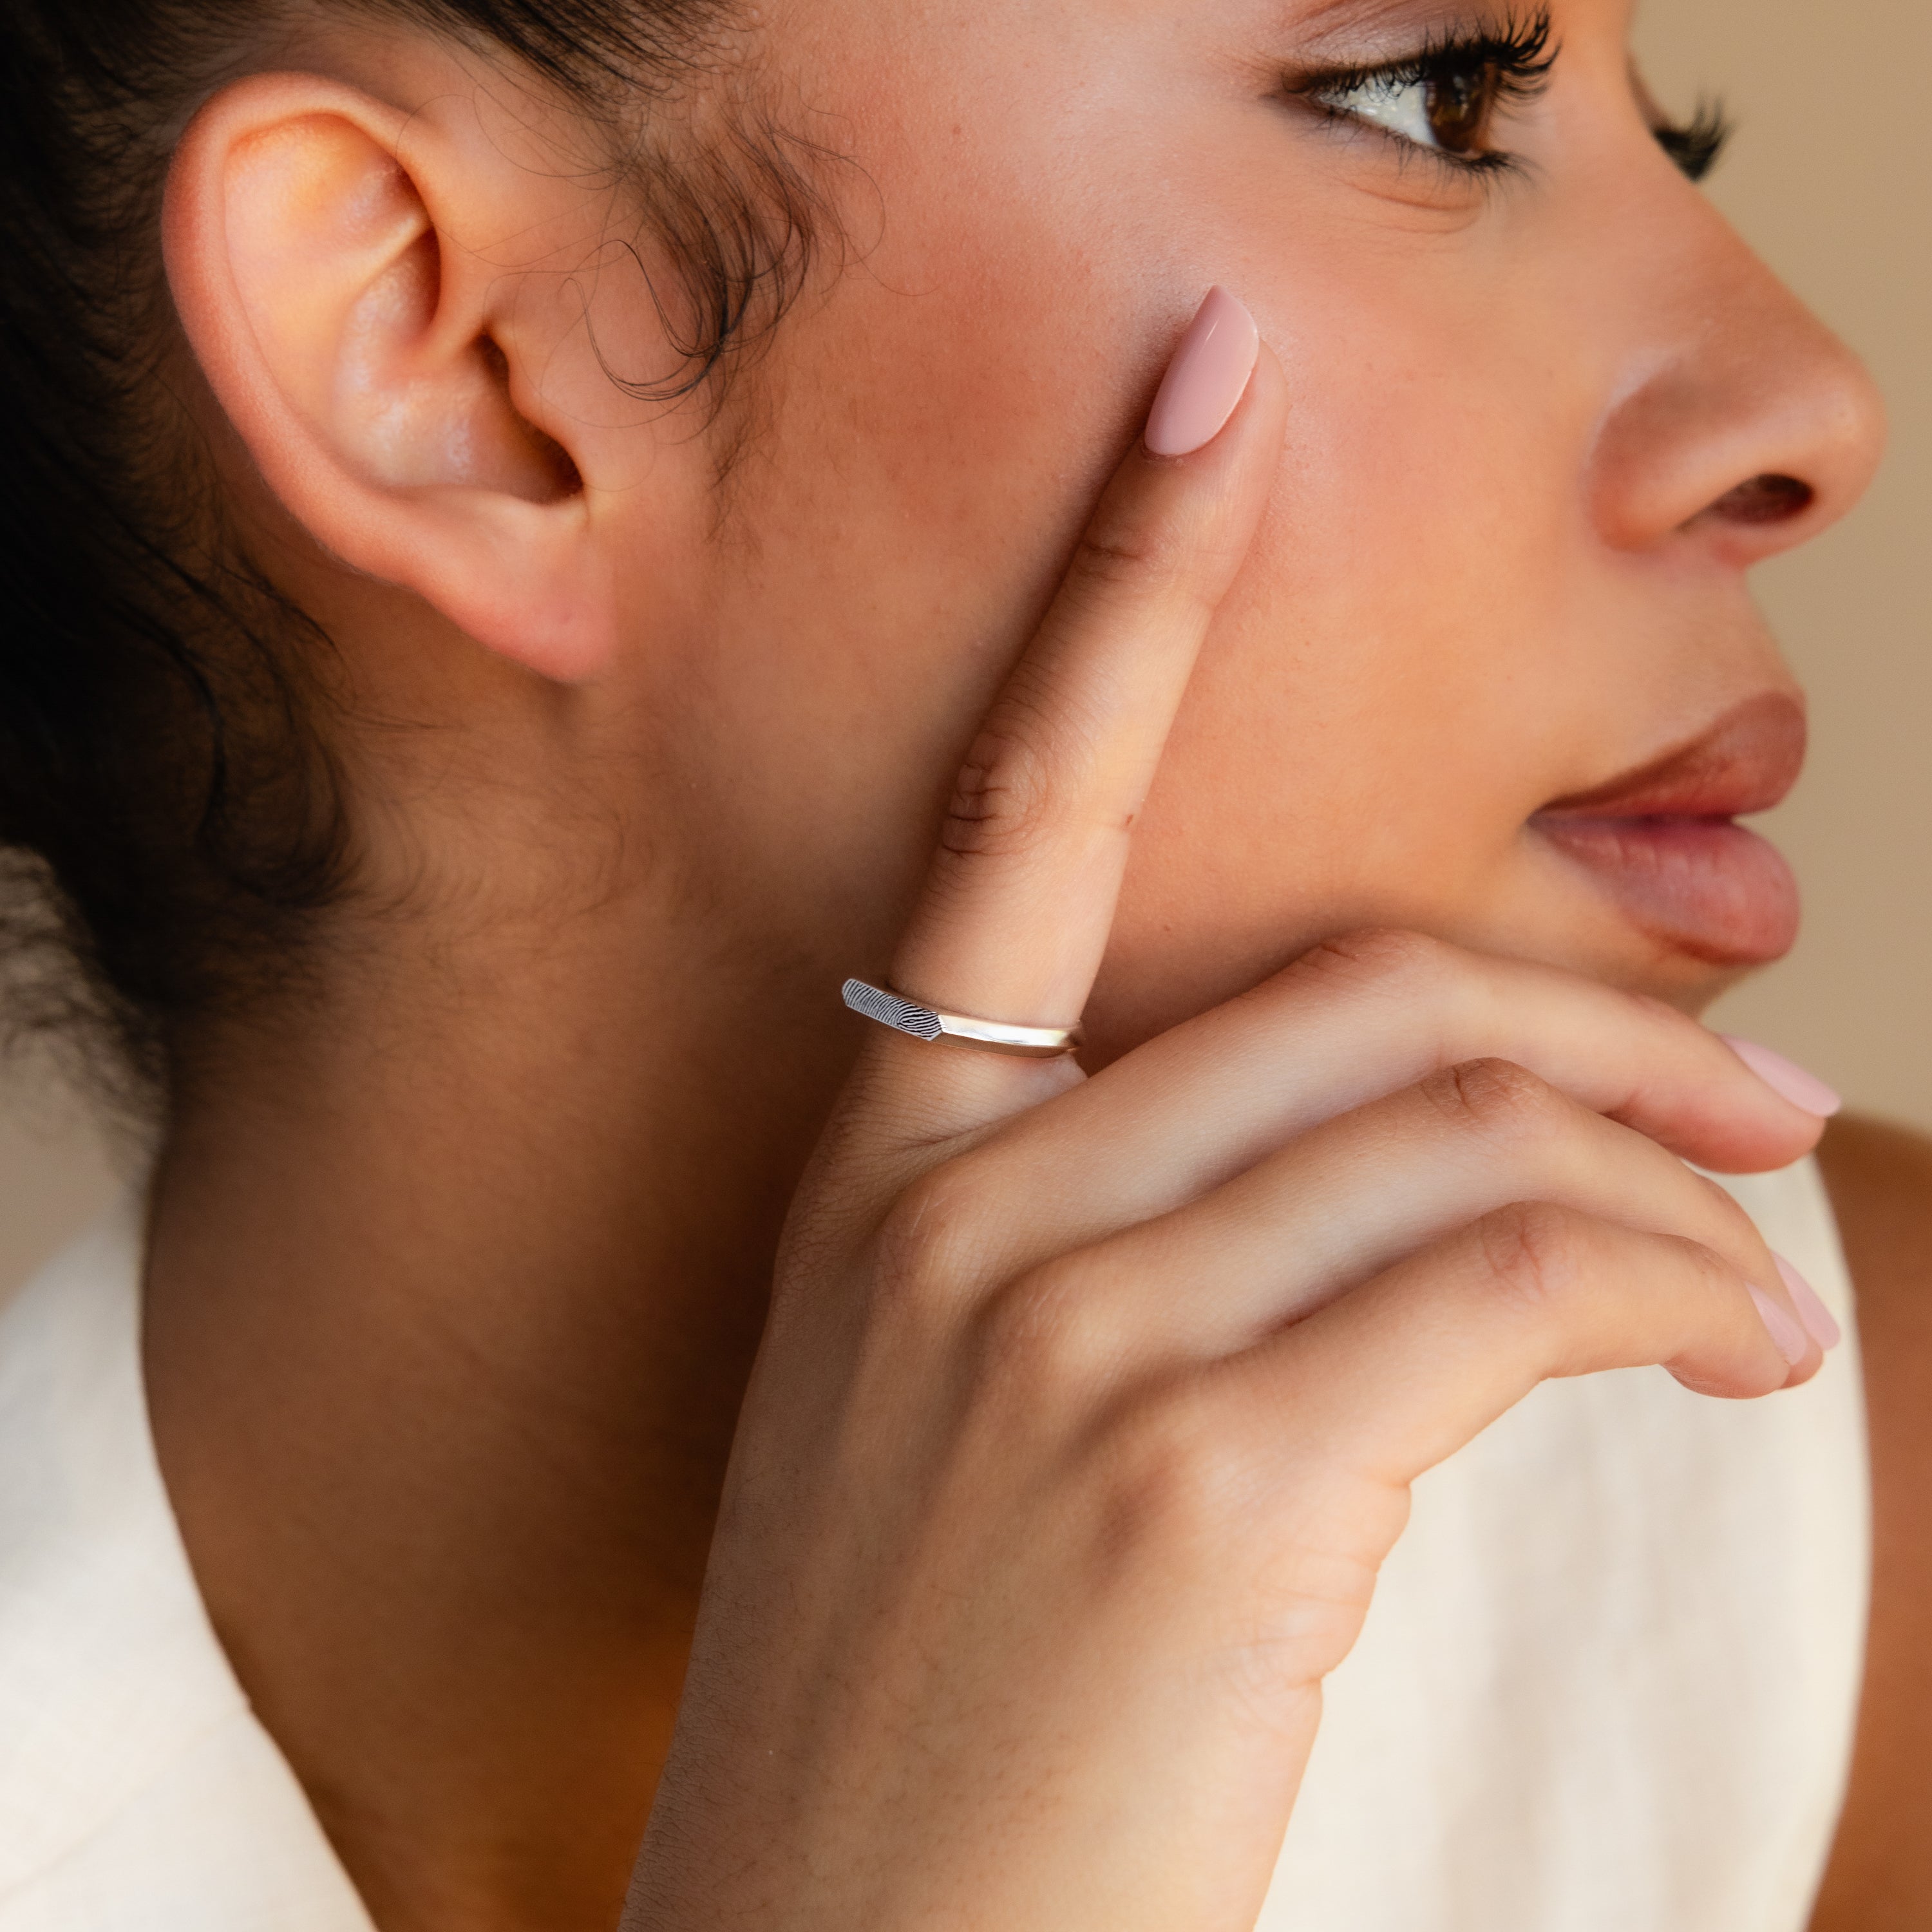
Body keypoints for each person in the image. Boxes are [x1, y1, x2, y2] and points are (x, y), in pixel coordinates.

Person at [0, 0, 1926, 1926]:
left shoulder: (1835, 1534)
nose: (1810, 405)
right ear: (464, 359)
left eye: (1677, 133)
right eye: (1429, 98)